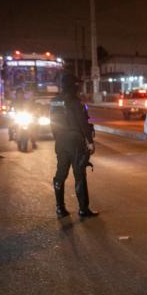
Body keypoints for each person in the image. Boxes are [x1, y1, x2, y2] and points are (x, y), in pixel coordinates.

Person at [49, 73, 98, 220]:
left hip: (61, 141)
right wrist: (90, 141)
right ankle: (83, 209)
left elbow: (52, 122)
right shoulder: (76, 103)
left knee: (60, 174)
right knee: (79, 175)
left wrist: (58, 138)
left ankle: (60, 208)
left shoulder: (55, 101)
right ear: (73, 86)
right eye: (77, 85)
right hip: (75, 142)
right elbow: (83, 124)